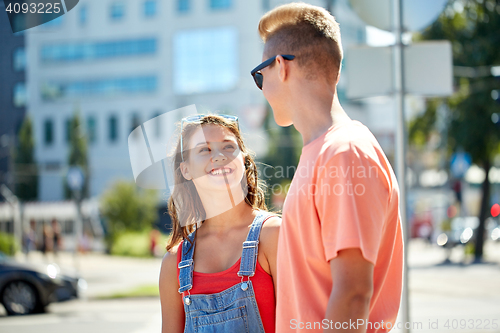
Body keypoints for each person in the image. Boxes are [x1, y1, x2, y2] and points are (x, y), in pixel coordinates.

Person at [252, 3, 403, 332]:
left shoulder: (343, 153)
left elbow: (353, 294)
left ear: (281, 67)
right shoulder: (323, 152)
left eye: (259, 75)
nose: (261, 88)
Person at [159, 114, 280, 333]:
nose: (219, 156)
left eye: (228, 147)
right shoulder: (173, 264)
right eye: (204, 149)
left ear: (243, 161)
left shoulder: (274, 236)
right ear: (185, 169)